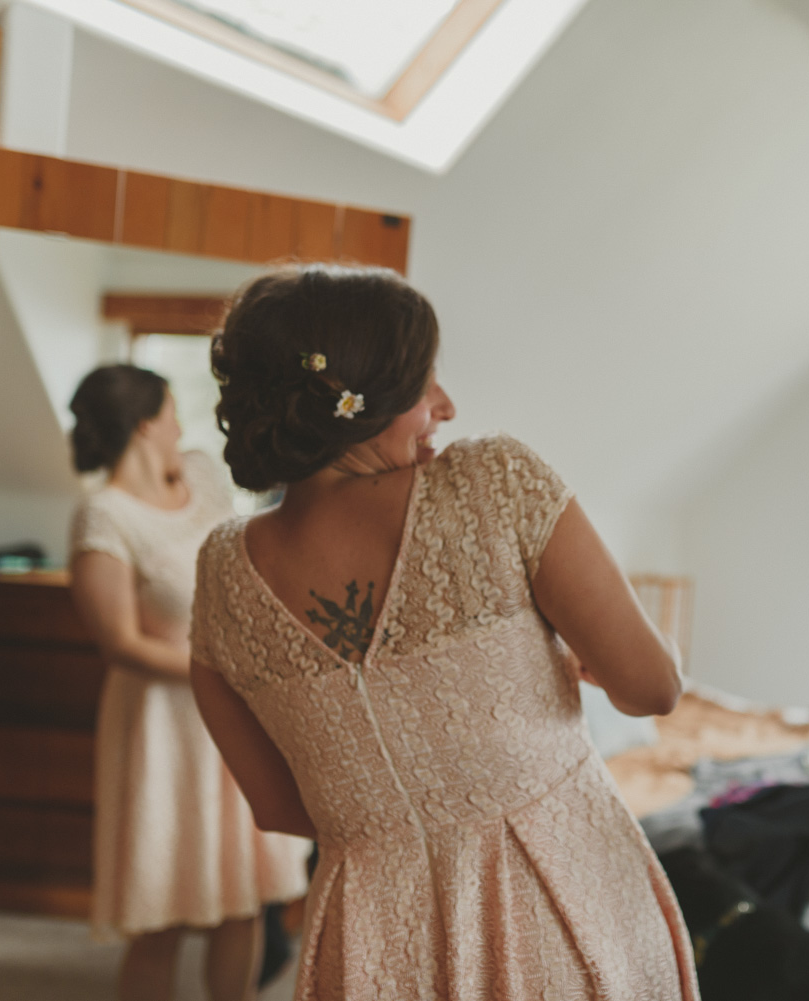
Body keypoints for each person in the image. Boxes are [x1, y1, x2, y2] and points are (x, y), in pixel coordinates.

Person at [186, 264, 698, 1001]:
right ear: (357, 401)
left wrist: (388, 825)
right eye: (425, 382)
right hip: (556, 904)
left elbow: (277, 804)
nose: (446, 404)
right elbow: (654, 688)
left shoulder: (222, 571)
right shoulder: (494, 482)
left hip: (371, 948)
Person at [68, 364, 310, 1001]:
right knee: (165, 916)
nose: (181, 426)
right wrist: (225, 670)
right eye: (172, 412)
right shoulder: (103, 517)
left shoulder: (202, 474)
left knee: (242, 900)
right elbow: (120, 643)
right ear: (147, 423)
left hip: (236, 720)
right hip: (164, 728)